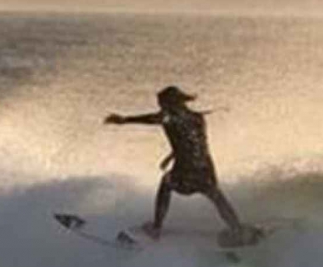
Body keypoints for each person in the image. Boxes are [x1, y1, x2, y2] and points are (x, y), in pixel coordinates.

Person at [104, 85, 261, 246]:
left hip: (187, 173)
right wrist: (171, 156)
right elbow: (193, 143)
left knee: (166, 182)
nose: (161, 109)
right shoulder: (197, 118)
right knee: (216, 196)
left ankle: (156, 228)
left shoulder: (171, 116)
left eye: (162, 105)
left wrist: (125, 120)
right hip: (206, 169)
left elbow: (155, 119)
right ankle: (236, 228)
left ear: (171, 103)